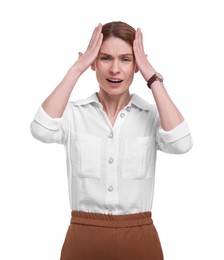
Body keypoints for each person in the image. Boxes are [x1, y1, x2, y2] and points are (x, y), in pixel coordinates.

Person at [30, 21, 193, 260]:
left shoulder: (151, 116)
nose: (115, 69)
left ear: (137, 64)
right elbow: (41, 129)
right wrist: (77, 68)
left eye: (126, 59)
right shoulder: (74, 115)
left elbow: (181, 143)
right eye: (105, 58)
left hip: (139, 237)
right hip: (83, 237)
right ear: (93, 63)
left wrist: (151, 75)